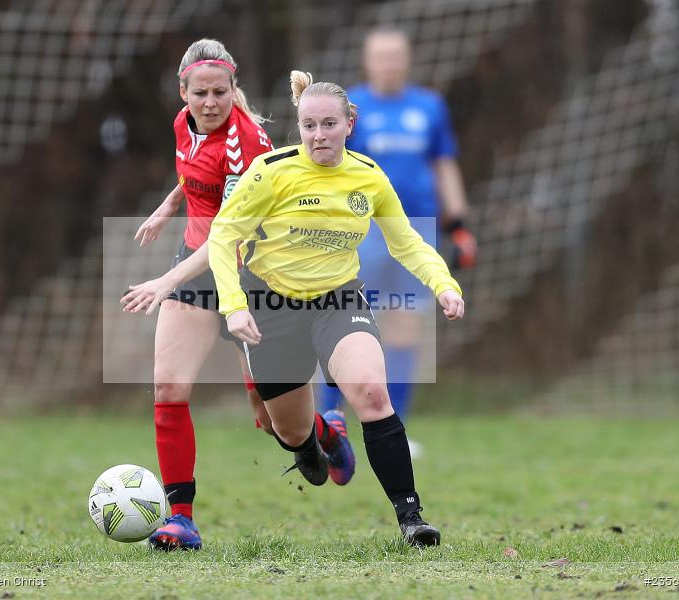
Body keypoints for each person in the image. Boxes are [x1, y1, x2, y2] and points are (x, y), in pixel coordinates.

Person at [207, 70, 465, 546]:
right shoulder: (271, 171)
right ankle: (316, 442)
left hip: (338, 299)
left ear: (350, 122)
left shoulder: (368, 176)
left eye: (329, 124)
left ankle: (411, 518)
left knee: (371, 391)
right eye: (309, 126)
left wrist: (442, 283)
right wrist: (234, 305)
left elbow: (405, 241)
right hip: (271, 306)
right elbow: (223, 235)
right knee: (286, 430)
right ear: (299, 126)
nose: (319, 135)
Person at [120, 40, 355, 551]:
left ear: (233, 90)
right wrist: (167, 206)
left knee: (273, 423)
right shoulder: (185, 124)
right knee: (168, 388)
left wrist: (166, 281)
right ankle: (180, 518)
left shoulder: (248, 145)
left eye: (220, 93)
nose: (210, 102)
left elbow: (228, 236)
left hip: (251, 280)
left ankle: (324, 434)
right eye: (199, 93)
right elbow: (193, 171)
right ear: (183, 93)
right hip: (196, 268)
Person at [318, 28, 477, 459]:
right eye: (380, 56)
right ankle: (325, 424)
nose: (388, 63)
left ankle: (394, 428)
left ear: (407, 60)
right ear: (367, 62)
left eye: (395, 56)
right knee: (341, 321)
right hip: (360, 230)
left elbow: (444, 164)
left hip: (416, 229)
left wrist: (458, 222)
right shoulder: (349, 107)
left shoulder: (429, 106)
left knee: (405, 326)